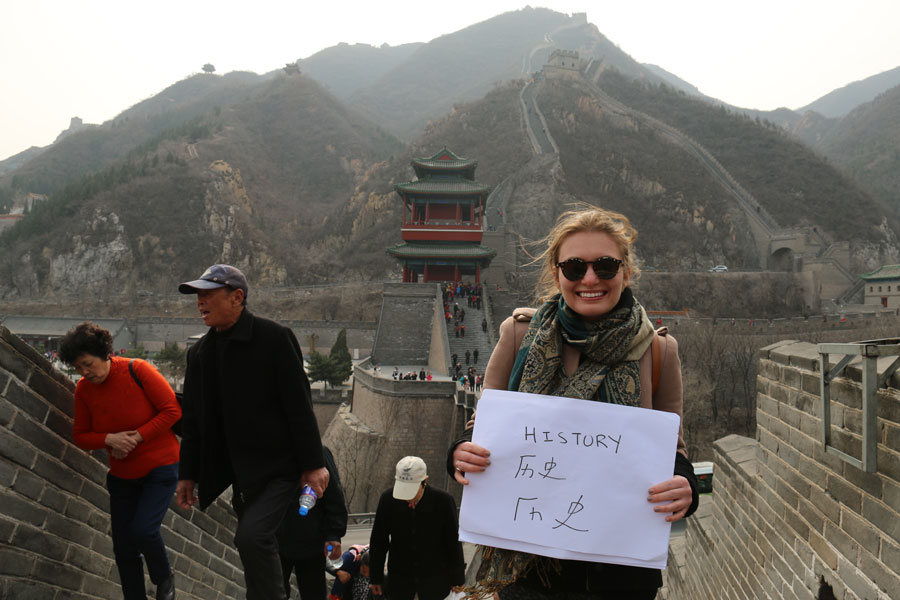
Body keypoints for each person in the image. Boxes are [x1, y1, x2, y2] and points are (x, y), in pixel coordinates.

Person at [448, 207, 699, 599]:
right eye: (574, 267)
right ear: (557, 274)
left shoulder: (658, 352)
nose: (590, 279)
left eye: (605, 266)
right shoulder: (519, 337)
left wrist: (686, 485)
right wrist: (459, 454)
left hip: (621, 573)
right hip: (530, 570)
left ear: (625, 272)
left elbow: (673, 450)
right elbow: (481, 430)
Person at [175, 264, 329, 600]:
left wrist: (314, 464)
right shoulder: (200, 354)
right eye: (197, 296)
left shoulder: (273, 338)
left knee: (252, 537)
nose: (200, 303)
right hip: (243, 476)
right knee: (252, 542)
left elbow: (298, 405)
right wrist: (187, 474)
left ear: (237, 297)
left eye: (208, 295)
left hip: (281, 468)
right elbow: (194, 422)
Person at [60, 322, 180, 600]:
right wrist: (109, 440)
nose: (85, 372)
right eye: (78, 368)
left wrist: (136, 437)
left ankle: (165, 580)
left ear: (104, 354)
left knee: (144, 530)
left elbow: (172, 410)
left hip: (159, 467)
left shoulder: (136, 370)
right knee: (124, 548)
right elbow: (81, 436)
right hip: (123, 476)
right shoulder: (83, 390)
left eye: (88, 364)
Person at [369, 457, 465, 600]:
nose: (407, 498)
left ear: (424, 481)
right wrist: (375, 577)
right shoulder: (388, 500)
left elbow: (453, 542)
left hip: (435, 577)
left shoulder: (443, 501)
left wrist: (457, 579)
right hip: (400, 579)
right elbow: (378, 541)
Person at [277, 446, 348, 600]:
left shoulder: (317, 453)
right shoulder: (272, 452)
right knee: (272, 593)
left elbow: (334, 496)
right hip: (276, 541)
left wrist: (334, 534)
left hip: (312, 543)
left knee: (313, 594)